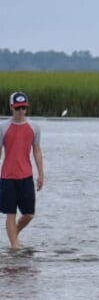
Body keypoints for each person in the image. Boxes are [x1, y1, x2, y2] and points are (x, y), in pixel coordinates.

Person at [2, 91, 44, 251]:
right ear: (11, 107)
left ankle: (14, 234)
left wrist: (41, 174)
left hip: (26, 176)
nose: (21, 111)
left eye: (23, 108)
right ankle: (14, 248)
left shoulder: (34, 127)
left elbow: (37, 151)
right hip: (7, 177)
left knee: (29, 214)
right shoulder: (3, 127)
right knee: (10, 214)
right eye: (18, 107)